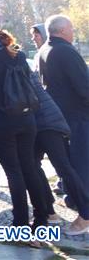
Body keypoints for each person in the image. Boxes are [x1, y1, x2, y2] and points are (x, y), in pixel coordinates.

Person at [0, 21, 48, 229]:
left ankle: (20, 222)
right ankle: (41, 217)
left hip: (0, 121)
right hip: (26, 117)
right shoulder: (17, 53)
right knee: (29, 167)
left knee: (13, 171)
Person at [29, 69, 89, 235]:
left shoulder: (12, 61)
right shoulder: (16, 60)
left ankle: (85, 214)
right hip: (44, 118)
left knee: (63, 167)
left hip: (46, 121)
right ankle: (49, 212)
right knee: (33, 166)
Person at [41, 14, 89, 219]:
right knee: (81, 161)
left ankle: (71, 197)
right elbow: (83, 86)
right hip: (76, 114)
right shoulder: (66, 51)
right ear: (61, 30)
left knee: (68, 161)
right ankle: (83, 201)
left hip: (57, 114)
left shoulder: (45, 49)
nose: (73, 31)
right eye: (71, 28)